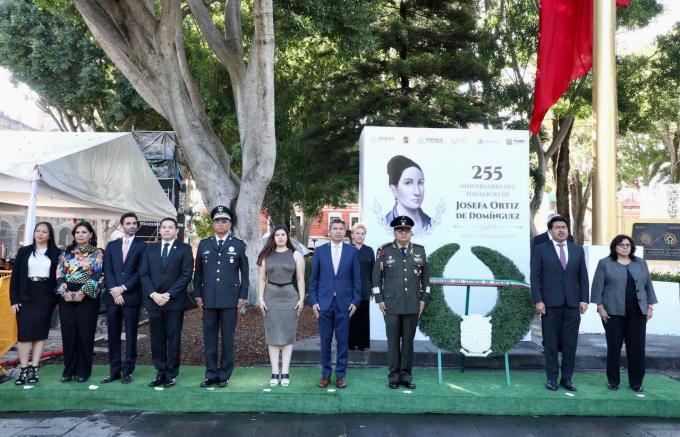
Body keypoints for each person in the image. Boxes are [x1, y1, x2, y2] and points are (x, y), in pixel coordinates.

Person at [590, 235, 657, 392]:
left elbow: (648, 285)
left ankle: (636, 382)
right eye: (621, 245)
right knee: (614, 347)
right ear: (614, 247)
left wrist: (650, 306)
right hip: (612, 312)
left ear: (631, 247)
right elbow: (597, 287)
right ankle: (613, 381)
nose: (625, 247)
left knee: (637, 348)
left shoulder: (640, 263)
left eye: (628, 245)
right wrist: (600, 307)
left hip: (638, 311)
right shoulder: (604, 263)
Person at [530, 215, 589, 392]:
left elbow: (583, 277)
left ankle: (567, 379)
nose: (561, 230)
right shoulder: (541, 249)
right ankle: (552, 379)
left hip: (572, 304)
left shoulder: (577, 250)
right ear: (551, 230)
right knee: (551, 343)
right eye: (557, 227)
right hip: (549, 305)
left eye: (564, 227)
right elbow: (535, 277)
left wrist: (584, 299)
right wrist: (538, 301)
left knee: (570, 344)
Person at [193, 206, 249, 388]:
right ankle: (211, 374)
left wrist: (243, 296)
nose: (220, 223)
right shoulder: (204, 244)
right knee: (209, 338)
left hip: (230, 300)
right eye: (217, 221)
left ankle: (224, 374)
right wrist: (198, 295)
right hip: (208, 298)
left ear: (230, 223)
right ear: (213, 223)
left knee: (227, 339)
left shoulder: (239, 245)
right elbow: (198, 274)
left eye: (224, 221)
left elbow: (245, 274)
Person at [372, 216, 429, 389]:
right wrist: (379, 299)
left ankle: (406, 376)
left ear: (411, 233)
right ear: (394, 232)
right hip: (391, 305)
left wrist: (423, 300)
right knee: (393, 342)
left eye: (406, 230)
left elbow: (426, 280)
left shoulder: (420, 251)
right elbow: (376, 279)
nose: (403, 233)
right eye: (399, 230)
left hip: (412, 304)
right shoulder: (384, 251)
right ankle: (394, 377)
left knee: (408, 343)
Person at [140, 217, 193, 388]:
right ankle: (160, 371)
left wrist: (169, 294)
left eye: (171, 227)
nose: (167, 230)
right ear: (160, 230)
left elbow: (186, 274)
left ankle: (171, 373)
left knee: (173, 338)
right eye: (164, 227)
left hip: (174, 301)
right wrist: (154, 294)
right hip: (154, 300)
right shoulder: (150, 249)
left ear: (176, 231)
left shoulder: (184, 249)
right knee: (157, 338)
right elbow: (144, 274)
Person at [309, 218, 361, 388]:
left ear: (345, 231)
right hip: (323, 304)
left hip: (345, 304)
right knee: (324, 341)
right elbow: (314, 279)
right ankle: (325, 374)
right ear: (330, 231)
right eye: (335, 228)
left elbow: (356, 280)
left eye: (341, 228)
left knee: (342, 341)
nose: (338, 231)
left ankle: (340, 375)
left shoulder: (352, 251)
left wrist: (355, 301)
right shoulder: (320, 251)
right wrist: (313, 302)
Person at [9, 222, 60, 385]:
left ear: (50, 235)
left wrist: (57, 299)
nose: (40, 234)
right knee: (23, 335)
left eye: (44, 232)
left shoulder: (57, 253)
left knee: (40, 333)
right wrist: (14, 299)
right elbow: (14, 277)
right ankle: (23, 369)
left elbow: (59, 278)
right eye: (37, 231)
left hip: (46, 296)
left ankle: (34, 368)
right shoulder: (24, 251)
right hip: (25, 296)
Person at [55, 221, 104, 383]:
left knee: (85, 333)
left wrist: (82, 292)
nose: (80, 235)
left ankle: (83, 370)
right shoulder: (65, 253)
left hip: (87, 297)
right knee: (68, 333)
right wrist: (65, 293)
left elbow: (99, 274)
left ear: (91, 235)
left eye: (84, 232)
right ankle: (68, 369)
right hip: (66, 296)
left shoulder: (98, 253)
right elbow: (59, 274)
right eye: (77, 232)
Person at [256, 224, 305, 386]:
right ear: (273, 237)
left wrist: (301, 299)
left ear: (287, 237)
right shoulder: (266, 255)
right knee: (273, 336)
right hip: (270, 297)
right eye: (277, 235)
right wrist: (261, 299)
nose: (280, 237)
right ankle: (274, 373)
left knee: (287, 336)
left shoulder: (296, 254)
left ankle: (285, 373)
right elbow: (262, 279)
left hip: (290, 297)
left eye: (283, 234)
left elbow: (300, 279)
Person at [101, 212, 147, 384]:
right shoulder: (112, 245)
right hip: (112, 296)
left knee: (131, 334)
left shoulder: (143, 247)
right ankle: (114, 370)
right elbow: (108, 269)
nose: (132, 226)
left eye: (134, 223)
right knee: (112, 334)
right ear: (121, 226)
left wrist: (123, 288)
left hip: (131, 296)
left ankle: (128, 370)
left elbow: (140, 272)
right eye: (128, 223)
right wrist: (115, 290)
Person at [384, 155, 431, 235]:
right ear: (393, 190)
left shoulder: (431, 223)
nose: (417, 192)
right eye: (408, 183)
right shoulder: (386, 223)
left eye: (420, 183)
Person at [348, 223, 375, 351]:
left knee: (364, 316)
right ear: (352, 235)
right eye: (357, 233)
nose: (360, 236)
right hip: (349, 289)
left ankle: (363, 344)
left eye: (362, 233)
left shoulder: (369, 250)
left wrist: (373, 289)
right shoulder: (346, 249)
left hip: (365, 288)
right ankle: (351, 343)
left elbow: (373, 272)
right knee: (351, 317)